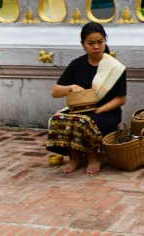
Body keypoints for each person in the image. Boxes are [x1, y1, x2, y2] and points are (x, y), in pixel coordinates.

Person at [46, 23, 127, 174]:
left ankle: (94, 156)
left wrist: (98, 110)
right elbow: (55, 92)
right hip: (80, 110)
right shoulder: (76, 64)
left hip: (106, 113)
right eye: (91, 43)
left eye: (100, 42)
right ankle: (74, 156)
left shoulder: (114, 68)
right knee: (58, 119)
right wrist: (71, 87)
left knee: (82, 121)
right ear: (83, 44)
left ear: (105, 42)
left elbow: (121, 99)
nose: (96, 46)